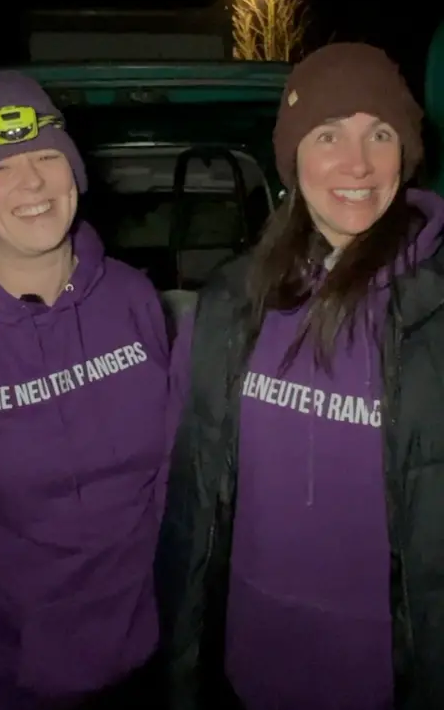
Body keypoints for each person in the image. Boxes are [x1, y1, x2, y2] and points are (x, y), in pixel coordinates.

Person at [156, 43, 444, 710]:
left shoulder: (434, 313)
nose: (358, 163)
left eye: (380, 133)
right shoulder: (231, 303)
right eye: (328, 134)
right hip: (246, 668)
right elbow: (188, 501)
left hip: (388, 677)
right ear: (292, 159)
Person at [0, 71, 170, 709]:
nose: (30, 182)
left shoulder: (134, 297)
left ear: (75, 173)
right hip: (9, 677)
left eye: (47, 157)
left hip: (153, 658)